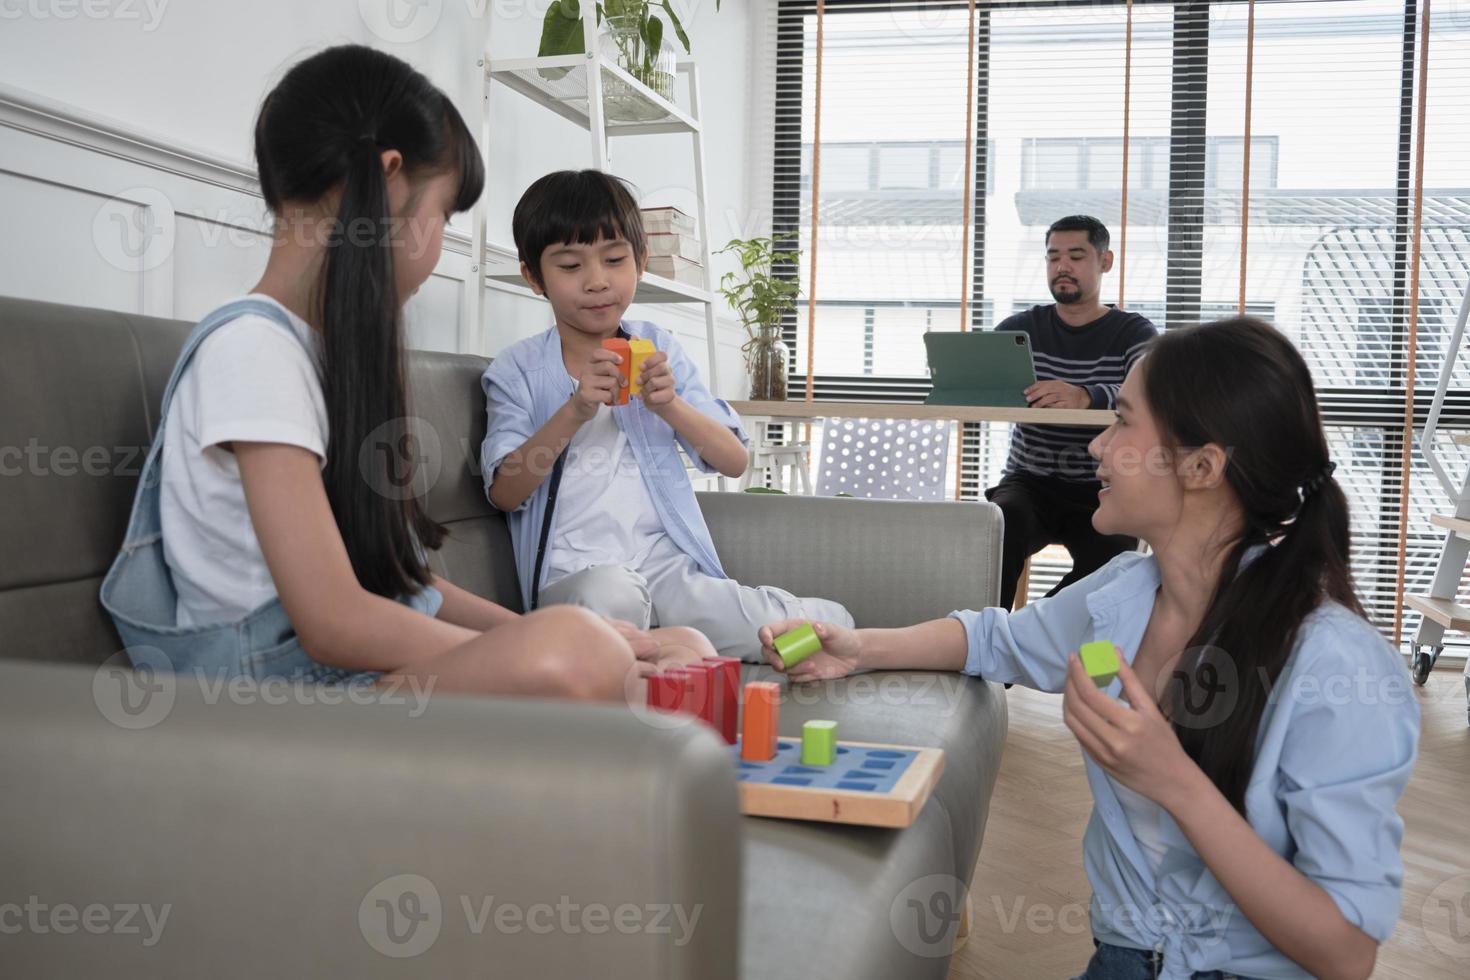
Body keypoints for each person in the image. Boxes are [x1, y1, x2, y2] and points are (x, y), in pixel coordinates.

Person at [758, 317, 1420, 980]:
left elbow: (1345, 952)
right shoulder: (1122, 598)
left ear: (1202, 465)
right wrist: (857, 647)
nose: (1098, 446)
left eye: (1123, 423)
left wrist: (1175, 782)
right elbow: (992, 638)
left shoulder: (1337, 665)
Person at [102, 45, 705, 700]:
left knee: (669, 643)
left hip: (341, 676)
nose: (440, 242)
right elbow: (334, 623)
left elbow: (403, 586)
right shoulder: (252, 350)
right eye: (442, 216)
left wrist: (567, 636)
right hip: (273, 698)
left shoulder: (310, 351)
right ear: (389, 180)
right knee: (582, 650)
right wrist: (536, 648)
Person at [482, 169, 854, 661]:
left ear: (640, 263)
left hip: (667, 573)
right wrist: (575, 410)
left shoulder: (659, 348)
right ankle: (662, 650)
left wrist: (670, 405)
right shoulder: (517, 369)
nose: (597, 281)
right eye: (570, 266)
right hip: (578, 584)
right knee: (610, 596)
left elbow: (734, 460)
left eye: (614, 260)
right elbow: (505, 493)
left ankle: (657, 650)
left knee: (826, 628)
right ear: (534, 278)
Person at [989, 215, 1158, 609]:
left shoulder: (1133, 332)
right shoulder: (1019, 330)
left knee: (1116, 562)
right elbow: (980, 385)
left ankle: (1026, 633)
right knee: (996, 530)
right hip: (1030, 481)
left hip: (1104, 486)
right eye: (1053, 257)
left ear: (1105, 261)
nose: (1062, 267)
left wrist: (1087, 395)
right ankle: (980, 648)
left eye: (1076, 256)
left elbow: (1154, 392)